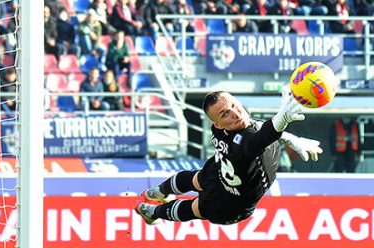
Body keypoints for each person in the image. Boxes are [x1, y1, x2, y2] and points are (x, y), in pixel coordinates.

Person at [135, 87, 323, 225]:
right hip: (230, 204)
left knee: (196, 178)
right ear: (218, 124)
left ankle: (155, 194)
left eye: (234, 105)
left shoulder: (224, 130)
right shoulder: (243, 142)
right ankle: (153, 212)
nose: (235, 113)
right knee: (196, 207)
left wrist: (289, 137)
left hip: (221, 173)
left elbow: (256, 127)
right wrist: (280, 123)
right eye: (225, 114)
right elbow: (258, 139)